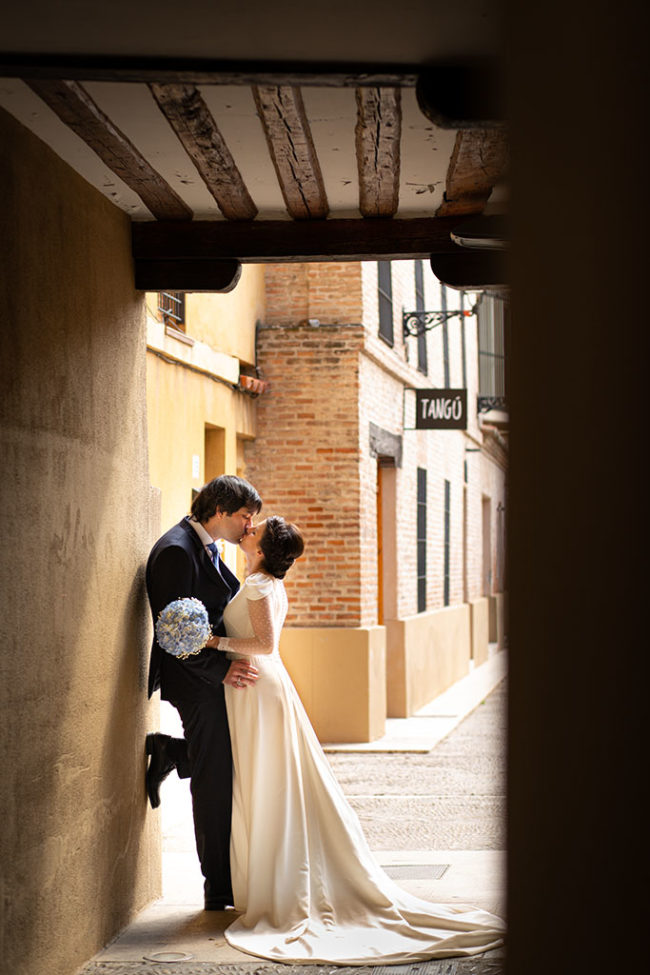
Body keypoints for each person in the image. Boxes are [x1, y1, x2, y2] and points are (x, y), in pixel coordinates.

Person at [208, 516, 506, 963]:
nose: (249, 527)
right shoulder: (258, 580)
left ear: (265, 549)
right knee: (267, 782)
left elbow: (265, 645)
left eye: (258, 528)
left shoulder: (259, 587)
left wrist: (211, 642)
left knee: (269, 783)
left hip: (257, 687)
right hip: (256, 689)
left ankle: (281, 886)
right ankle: (270, 877)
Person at [144, 475, 261, 911]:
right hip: (197, 685)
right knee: (214, 781)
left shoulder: (206, 548)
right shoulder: (177, 551)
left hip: (213, 680)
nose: (249, 526)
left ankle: (174, 752)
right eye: (246, 516)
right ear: (221, 511)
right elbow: (174, 635)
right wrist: (220, 672)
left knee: (224, 763)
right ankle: (218, 887)